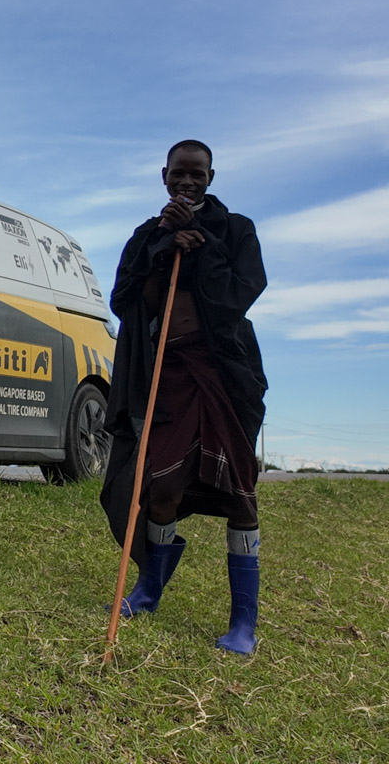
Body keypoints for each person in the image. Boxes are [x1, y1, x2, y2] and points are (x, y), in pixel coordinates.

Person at [99, 139, 268, 654]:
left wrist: (205, 246)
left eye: (197, 174)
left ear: (211, 177)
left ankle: (243, 622)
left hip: (224, 376)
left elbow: (239, 296)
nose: (187, 182)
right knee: (162, 486)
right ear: (164, 176)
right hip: (166, 373)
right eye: (179, 174)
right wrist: (164, 247)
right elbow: (125, 302)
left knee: (240, 492)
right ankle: (149, 589)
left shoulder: (236, 230)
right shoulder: (145, 235)